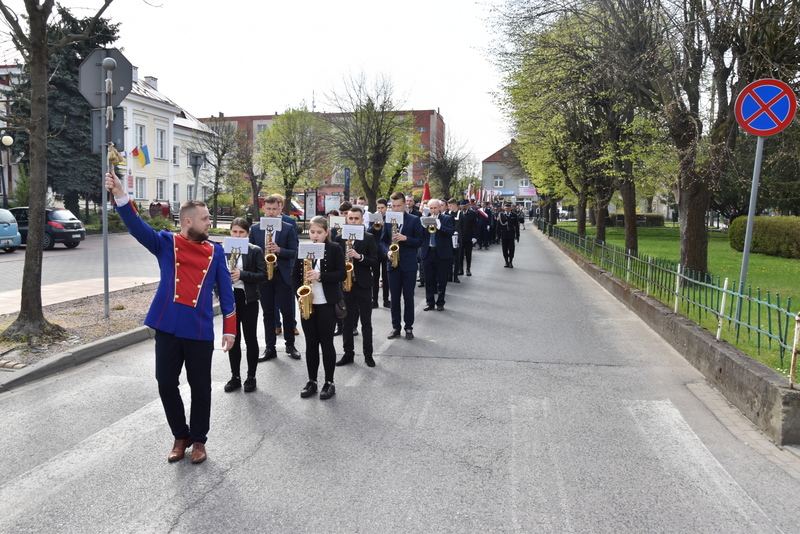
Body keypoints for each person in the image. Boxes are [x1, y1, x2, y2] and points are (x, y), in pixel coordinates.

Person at [104, 170, 235, 465]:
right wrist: (120, 195)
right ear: (188, 221)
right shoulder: (166, 244)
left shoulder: (215, 253)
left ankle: (199, 440)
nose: (210, 222)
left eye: (209, 218)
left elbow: (227, 294)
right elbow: (137, 226)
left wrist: (230, 329)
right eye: (205, 219)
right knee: (165, 383)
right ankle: (181, 435)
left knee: (201, 387)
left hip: (199, 329)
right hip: (167, 326)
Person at [292, 216, 347, 399]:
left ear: (326, 233)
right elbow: (294, 277)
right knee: (311, 343)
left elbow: (341, 274)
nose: (315, 236)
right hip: (308, 304)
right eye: (313, 232)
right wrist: (300, 296)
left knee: (326, 342)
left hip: (327, 303)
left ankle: (329, 382)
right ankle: (312, 381)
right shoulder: (303, 248)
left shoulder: (334, 249)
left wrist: (320, 275)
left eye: (319, 232)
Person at [250, 196, 301, 361]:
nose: (271, 212)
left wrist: (279, 250)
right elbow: (250, 253)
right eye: (268, 209)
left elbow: (295, 251)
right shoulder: (255, 229)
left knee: (287, 311)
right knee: (268, 313)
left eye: (274, 209)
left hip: (282, 274)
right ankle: (270, 347)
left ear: (280, 209)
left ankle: (290, 345)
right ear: (263, 209)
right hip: (264, 276)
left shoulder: (287, 228)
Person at [225, 218, 267, 393]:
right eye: (234, 231)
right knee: (233, 338)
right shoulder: (224, 250)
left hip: (248, 298)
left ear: (247, 234)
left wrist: (242, 274)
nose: (237, 235)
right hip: (230, 298)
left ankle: (251, 376)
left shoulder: (255, 250)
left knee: (250, 338)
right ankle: (235, 376)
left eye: (241, 232)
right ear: (230, 232)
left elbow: (263, 275)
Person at [334, 205, 380, 367]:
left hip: (363, 284)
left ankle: (368, 355)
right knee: (346, 322)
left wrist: (359, 257)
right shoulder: (339, 239)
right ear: (347, 219)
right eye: (350, 218)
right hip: (346, 286)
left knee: (366, 322)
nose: (353, 221)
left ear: (362, 221)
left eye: (356, 219)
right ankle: (348, 354)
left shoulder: (368, 238)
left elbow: (375, 262)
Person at [381, 191, 423, 340]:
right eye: (393, 206)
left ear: (405, 204)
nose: (396, 208)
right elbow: (383, 241)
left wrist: (406, 238)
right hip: (392, 264)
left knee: (408, 297)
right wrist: (387, 252)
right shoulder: (387, 219)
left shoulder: (414, 220)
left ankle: (409, 327)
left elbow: (419, 241)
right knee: (395, 298)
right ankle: (395, 327)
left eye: (399, 205)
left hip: (409, 264)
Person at [420, 199, 455, 311]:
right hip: (428, 252)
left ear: (440, 208)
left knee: (442, 279)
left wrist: (440, 227)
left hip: (442, 253)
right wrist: (423, 227)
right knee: (428, 279)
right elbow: (419, 235)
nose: (433, 210)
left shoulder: (447, 218)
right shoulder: (424, 219)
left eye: (435, 208)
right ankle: (429, 302)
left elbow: (451, 232)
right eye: (431, 208)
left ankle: (440, 302)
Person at [372, 198, 391, 308]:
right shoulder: (373, 217)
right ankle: (374, 300)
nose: (380, 210)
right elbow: (368, 231)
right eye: (378, 208)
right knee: (375, 277)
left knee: (385, 276)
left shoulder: (389, 218)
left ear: (386, 208)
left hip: (385, 250)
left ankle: (386, 299)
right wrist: (375, 225)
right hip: (374, 250)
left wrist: (384, 225)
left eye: (382, 208)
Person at [498, 202, 521, 268]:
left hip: (511, 234)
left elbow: (516, 226)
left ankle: (510, 261)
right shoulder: (501, 215)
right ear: (504, 208)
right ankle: (506, 261)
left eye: (508, 208)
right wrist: (498, 236)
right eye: (506, 208)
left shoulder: (514, 215)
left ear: (510, 208)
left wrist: (517, 235)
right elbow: (499, 226)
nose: (507, 209)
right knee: (504, 249)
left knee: (511, 249)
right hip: (504, 234)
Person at [446, 198, 462, 283]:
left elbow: (463, 228)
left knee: (457, 258)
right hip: (449, 239)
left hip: (458, 238)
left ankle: (455, 276)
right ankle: (449, 275)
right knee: (449, 258)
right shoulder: (447, 214)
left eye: (450, 205)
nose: (449, 207)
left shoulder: (461, 215)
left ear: (455, 205)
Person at [460, 200, 477, 276]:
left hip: (469, 236)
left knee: (468, 254)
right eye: (462, 206)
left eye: (465, 206)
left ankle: (468, 269)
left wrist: (474, 237)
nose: (463, 207)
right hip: (460, 236)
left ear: (468, 206)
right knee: (460, 254)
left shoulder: (472, 213)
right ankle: (461, 269)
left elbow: (475, 226)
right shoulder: (459, 213)